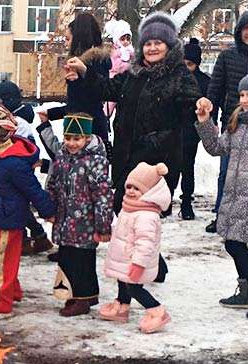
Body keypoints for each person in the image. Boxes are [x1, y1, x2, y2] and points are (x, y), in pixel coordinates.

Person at [64, 11, 200, 218]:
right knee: (127, 213)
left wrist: (200, 107)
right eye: (148, 43)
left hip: (155, 160)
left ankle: (145, 251)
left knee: (140, 214)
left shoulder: (179, 75)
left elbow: (190, 110)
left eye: (158, 43)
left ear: (169, 46)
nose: (152, 48)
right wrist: (85, 71)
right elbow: (107, 89)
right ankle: (143, 252)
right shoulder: (133, 73)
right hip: (127, 154)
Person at [196, 64, 248, 319]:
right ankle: (247, 290)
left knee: (235, 243)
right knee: (232, 241)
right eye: (242, 95)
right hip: (234, 192)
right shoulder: (238, 121)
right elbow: (216, 148)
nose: (244, 100)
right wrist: (205, 122)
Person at [0, 105, 55, 314]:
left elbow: (32, 189)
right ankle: (12, 291)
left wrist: (48, 210)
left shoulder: (14, 163)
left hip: (6, 220)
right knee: (1, 259)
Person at [205, 10, 248, 233]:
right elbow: (215, 89)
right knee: (227, 173)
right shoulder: (227, 56)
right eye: (246, 28)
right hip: (233, 123)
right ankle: (221, 215)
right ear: (239, 31)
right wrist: (212, 117)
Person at [45, 113, 113, 317]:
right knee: (67, 259)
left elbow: (103, 195)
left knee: (82, 260)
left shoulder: (96, 161)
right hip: (65, 220)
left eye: (77, 139)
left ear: (87, 138)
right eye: (68, 138)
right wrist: (49, 208)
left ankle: (83, 299)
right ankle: (75, 294)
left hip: (86, 222)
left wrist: (103, 226)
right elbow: (53, 184)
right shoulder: (62, 158)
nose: (72, 143)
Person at [100, 162, 172, 333]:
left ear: (150, 193)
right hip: (126, 259)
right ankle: (122, 306)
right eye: (129, 186)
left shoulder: (146, 215)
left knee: (133, 287)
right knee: (122, 280)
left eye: (137, 189)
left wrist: (139, 264)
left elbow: (145, 243)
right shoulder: (131, 208)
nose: (131, 191)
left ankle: (157, 311)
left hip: (136, 262)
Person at [0, 80, 52, 255]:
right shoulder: (13, 119)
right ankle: (38, 236)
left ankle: (28, 238)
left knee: (16, 205)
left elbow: (21, 147)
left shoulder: (18, 123)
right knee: (17, 204)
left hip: (16, 169)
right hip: (13, 168)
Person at [48, 12, 111, 142]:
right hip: (81, 130)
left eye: (68, 39)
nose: (66, 44)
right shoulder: (91, 61)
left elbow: (85, 104)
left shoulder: (93, 63)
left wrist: (82, 76)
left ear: (78, 38)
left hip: (87, 133)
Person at [169, 37, 210, 221]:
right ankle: (165, 201)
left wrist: (204, 126)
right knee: (168, 167)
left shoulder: (204, 82)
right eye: (183, 63)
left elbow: (210, 107)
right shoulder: (173, 78)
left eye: (190, 64)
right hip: (172, 129)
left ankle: (186, 202)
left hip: (191, 130)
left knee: (187, 167)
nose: (186, 67)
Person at [103, 18, 134, 119]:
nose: (125, 42)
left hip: (127, 84)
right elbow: (113, 66)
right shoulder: (115, 51)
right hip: (114, 79)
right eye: (122, 39)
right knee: (110, 105)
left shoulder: (131, 51)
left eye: (127, 39)